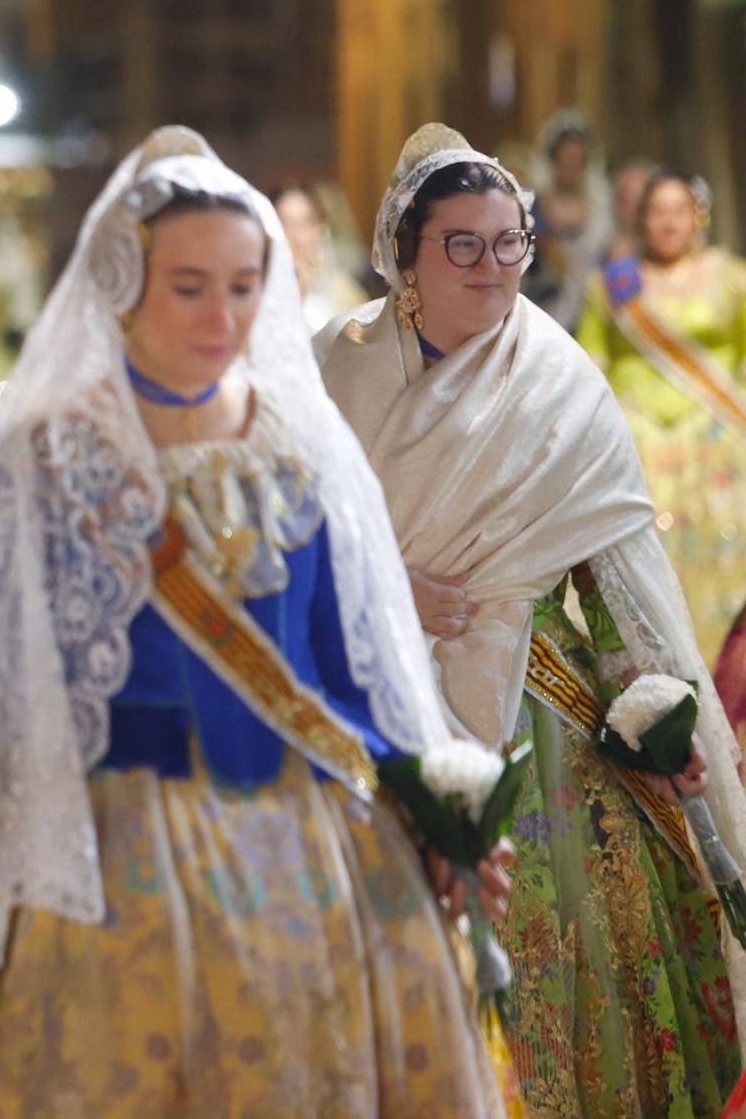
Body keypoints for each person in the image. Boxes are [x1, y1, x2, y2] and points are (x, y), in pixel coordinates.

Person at [0, 127, 511, 1117]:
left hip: (311, 850)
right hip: (119, 855)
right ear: (122, 281)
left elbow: (346, 668)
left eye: (244, 284)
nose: (223, 314)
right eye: (189, 285)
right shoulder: (50, 452)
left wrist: (430, 807)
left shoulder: (296, 443)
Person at [319, 124, 746, 1115]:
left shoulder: (558, 379)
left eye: (508, 242)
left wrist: (660, 710)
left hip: (539, 711)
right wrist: (384, 586)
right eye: (460, 243)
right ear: (403, 253)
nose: (490, 264)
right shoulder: (330, 368)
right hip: (362, 692)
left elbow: (618, 580)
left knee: (562, 959)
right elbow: (281, 542)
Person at [577, 168, 746, 662]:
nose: (669, 223)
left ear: (697, 216)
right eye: (658, 212)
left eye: (679, 212)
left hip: (718, 433)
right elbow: (590, 359)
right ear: (641, 219)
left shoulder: (731, 276)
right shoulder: (615, 283)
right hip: (639, 433)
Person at [522, 109, 617, 331]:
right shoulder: (532, 206)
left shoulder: (602, 208)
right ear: (552, 158)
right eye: (565, 158)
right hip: (541, 310)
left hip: (590, 310)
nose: (570, 165)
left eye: (577, 158)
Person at [271, 179, 368, 331]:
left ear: (319, 228)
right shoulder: (261, 291)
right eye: (286, 224)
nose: (296, 236)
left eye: (304, 223)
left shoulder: (342, 289)